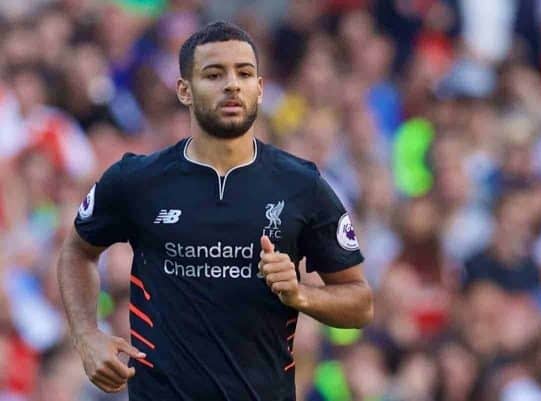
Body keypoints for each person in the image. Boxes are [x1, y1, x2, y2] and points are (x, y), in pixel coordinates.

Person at [56, 21, 373, 401]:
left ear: (260, 87)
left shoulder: (301, 185)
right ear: (184, 91)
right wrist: (86, 335)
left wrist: (301, 294)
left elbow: (360, 303)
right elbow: (77, 252)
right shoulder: (136, 180)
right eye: (214, 74)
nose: (232, 84)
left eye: (244, 73)